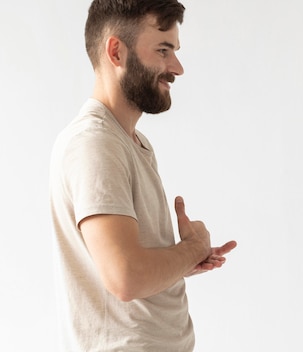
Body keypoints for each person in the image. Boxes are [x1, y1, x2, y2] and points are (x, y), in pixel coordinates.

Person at [49, 1, 237, 350]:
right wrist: (192, 248)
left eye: (175, 51)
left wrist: (180, 261)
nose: (176, 67)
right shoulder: (96, 143)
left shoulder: (131, 143)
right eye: (163, 50)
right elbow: (126, 277)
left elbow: (128, 270)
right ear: (116, 51)